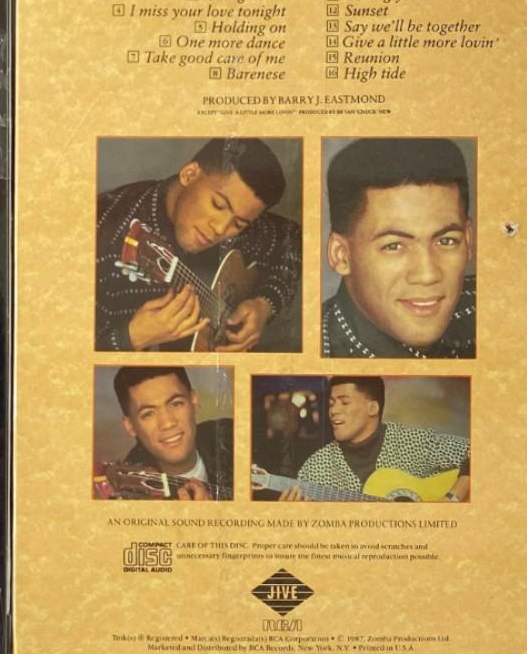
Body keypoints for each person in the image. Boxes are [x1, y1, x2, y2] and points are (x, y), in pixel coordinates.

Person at [95, 138, 301, 352]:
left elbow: (294, 239)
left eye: (238, 224)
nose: (220, 229)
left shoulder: (240, 217)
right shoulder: (102, 229)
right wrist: (131, 338)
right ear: (189, 174)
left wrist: (265, 305)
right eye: (217, 205)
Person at [322, 137, 476, 359]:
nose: (427, 275)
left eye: (446, 241)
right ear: (341, 255)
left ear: (468, 240)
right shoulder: (313, 351)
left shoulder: (499, 311)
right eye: (393, 246)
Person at [277, 377, 470, 502]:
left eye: (344, 402)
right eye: (331, 404)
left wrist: (452, 498)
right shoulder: (315, 470)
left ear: (373, 408)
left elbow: (481, 451)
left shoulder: (414, 440)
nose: (334, 410)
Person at [111, 366, 233, 500]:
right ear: (130, 426)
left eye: (175, 404)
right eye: (148, 414)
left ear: (194, 401)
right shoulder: (129, 499)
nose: (168, 423)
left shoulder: (233, 434)